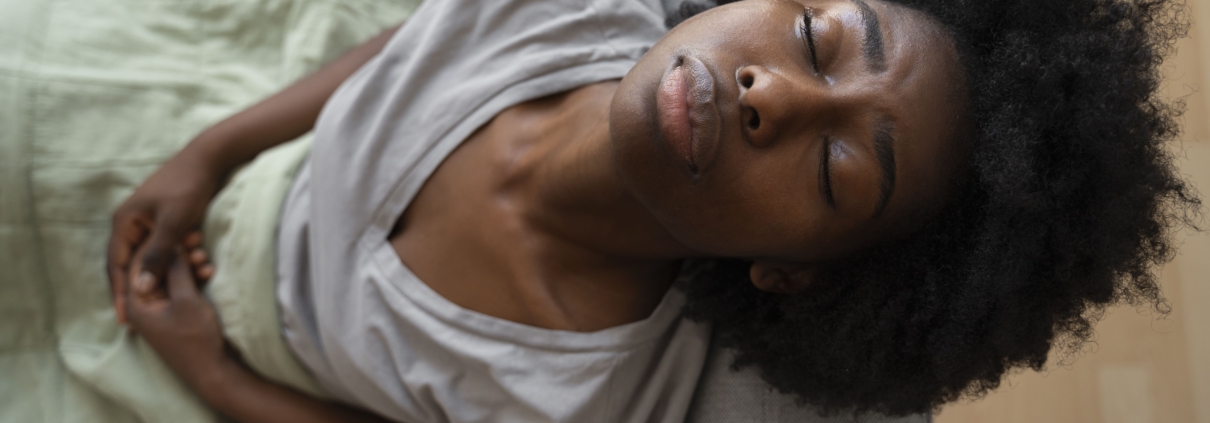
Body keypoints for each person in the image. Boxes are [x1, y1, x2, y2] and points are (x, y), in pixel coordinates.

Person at [106, 0, 1197, 421]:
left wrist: (209, 373)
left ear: (792, 269)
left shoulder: (584, 399)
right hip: (240, 125)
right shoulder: (593, 9)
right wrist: (215, 148)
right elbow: (414, 45)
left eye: (834, 175)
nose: (775, 90)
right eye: (817, 37)